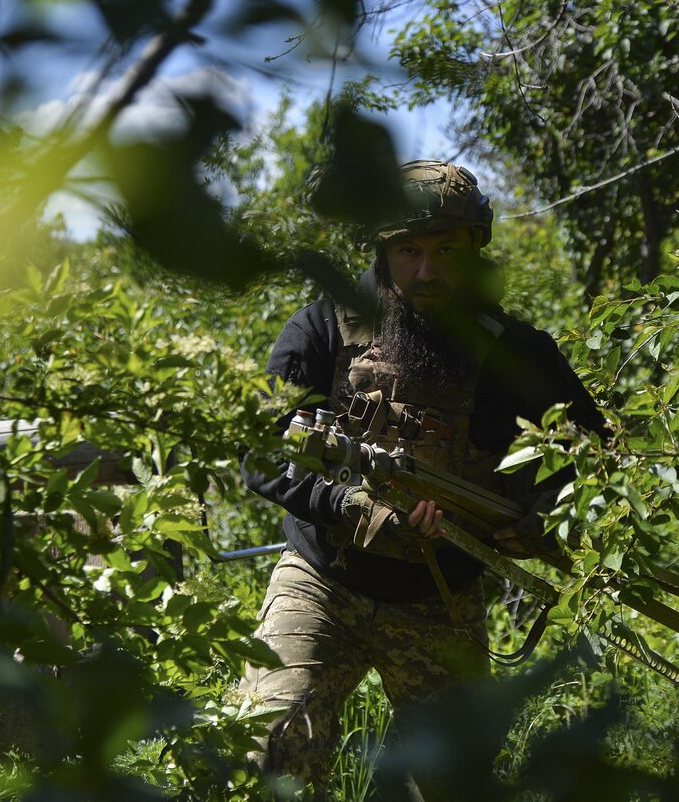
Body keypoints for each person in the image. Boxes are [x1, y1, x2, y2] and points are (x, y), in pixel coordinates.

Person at [239, 160, 605, 795]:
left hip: (443, 600)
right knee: (272, 749)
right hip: (323, 579)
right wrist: (350, 505)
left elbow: (592, 465)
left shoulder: (520, 355)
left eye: (446, 250)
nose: (428, 271)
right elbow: (260, 451)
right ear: (383, 256)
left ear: (475, 250)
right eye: (408, 251)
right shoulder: (323, 328)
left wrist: (540, 519)